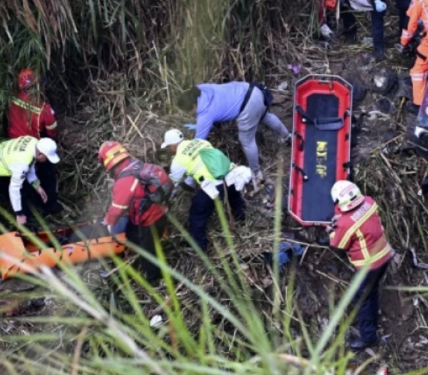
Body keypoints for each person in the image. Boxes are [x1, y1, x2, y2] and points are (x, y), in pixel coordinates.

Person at [329, 180, 393, 350]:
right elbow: (356, 215)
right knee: (372, 290)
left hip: (368, 265)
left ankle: (368, 337)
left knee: (361, 299)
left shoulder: (345, 223)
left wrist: (331, 232)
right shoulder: (370, 202)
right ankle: (374, 319)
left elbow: (338, 245)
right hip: (385, 256)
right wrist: (341, 217)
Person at [161, 129, 248, 253]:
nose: (169, 150)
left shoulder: (178, 160)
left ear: (173, 145)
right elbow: (200, 163)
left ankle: (199, 246)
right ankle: (242, 218)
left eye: (168, 147)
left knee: (197, 213)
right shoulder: (199, 141)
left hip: (214, 186)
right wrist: (188, 184)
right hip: (232, 176)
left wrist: (166, 200)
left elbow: (172, 185)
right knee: (234, 196)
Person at [181, 81, 290, 177]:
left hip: (247, 106)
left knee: (247, 141)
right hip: (253, 90)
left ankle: (256, 173)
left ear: (194, 106)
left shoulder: (204, 114)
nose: (191, 115)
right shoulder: (202, 89)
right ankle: (287, 136)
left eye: (189, 112)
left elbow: (197, 143)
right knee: (265, 116)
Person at [99, 141, 170, 284]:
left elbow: (117, 208)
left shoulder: (125, 180)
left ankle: (154, 280)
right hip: (157, 210)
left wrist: (107, 222)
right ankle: (133, 253)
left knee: (148, 250)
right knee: (132, 233)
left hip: (150, 218)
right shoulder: (136, 164)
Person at [6, 68, 63, 215]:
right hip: (34, 147)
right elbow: (52, 131)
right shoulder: (44, 109)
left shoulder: (10, 98)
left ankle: (24, 211)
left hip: (13, 146)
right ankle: (49, 204)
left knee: (20, 182)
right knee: (47, 172)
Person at [0, 136, 59, 232]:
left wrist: (37, 186)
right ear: (40, 155)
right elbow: (14, 188)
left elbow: (30, 166)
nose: (47, 160)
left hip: (0, 162)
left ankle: (24, 227)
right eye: (47, 158)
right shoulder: (22, 163)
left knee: (24, 194)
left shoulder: (34, 142)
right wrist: (19, 213)